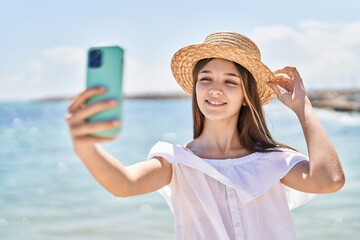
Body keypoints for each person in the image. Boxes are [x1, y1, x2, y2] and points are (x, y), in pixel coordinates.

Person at [66, 32, 345, 239]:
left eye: (230, 81)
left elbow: (330, 180)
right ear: (196, 88)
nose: (214, 89)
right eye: (206, 78)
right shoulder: (177, 162)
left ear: (247, 97)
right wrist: (86, 148)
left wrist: (302, 108)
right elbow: (123, 184)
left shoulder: (273, 162)